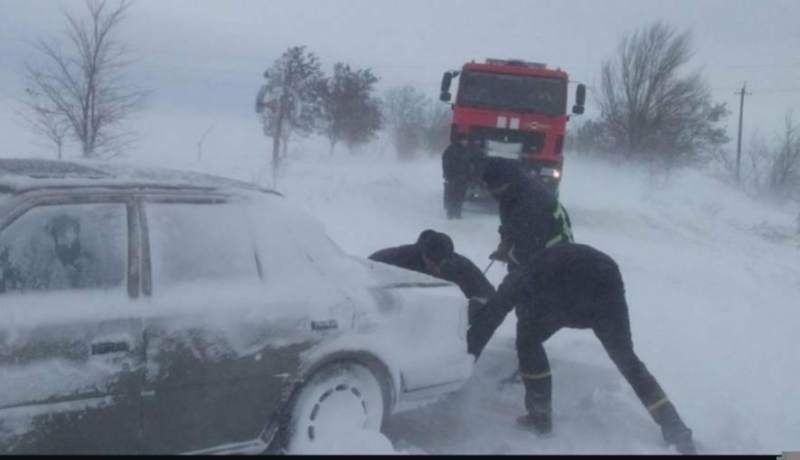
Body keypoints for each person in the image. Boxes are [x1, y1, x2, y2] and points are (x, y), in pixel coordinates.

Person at [466, 242, 697, 455]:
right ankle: (675, 429)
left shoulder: (521, 276)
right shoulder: (546, 258)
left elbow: (494, 313)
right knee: (627, 359)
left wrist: (468, 353)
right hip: (607, 281)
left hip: (572, 290)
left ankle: (540, 416)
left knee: (528, 338)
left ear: (513, 263)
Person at [481, 157, 574, 271]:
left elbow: (530, 247)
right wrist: (506, 241)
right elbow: (511, 224)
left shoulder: (530, 202)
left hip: (555, 257)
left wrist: (510, 255)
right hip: (540, 251)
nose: (491, 193)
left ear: (505, 182)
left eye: (493, 189)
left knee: (521, 284)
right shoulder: (512, 193)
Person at [368, 230, 495, 305]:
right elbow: (367, 266)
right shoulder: (400, 256)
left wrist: (468, 307)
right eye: (432, 262)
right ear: (423, 253)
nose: (436, 267)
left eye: (441, 262)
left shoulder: (461, 266)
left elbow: (487, 293)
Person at [442, 138, 471, 219]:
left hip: (462, 177)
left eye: (466, 140)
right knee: (453, 195)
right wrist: (447, 173)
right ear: (460, 140)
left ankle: (457, 213)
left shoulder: (465, 151)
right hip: (454, 176)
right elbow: (446, 161)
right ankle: (450, 213)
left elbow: (468, 164)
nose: (466, 142)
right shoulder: (452, 150)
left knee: (460, 196)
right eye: (464, 140)